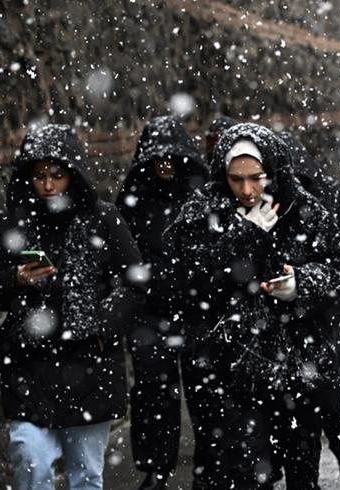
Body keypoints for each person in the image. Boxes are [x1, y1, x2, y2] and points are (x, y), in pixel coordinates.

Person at [157, 123, 340, 489]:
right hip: (228, 370)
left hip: (298, 364)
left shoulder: (302, 209)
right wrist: (242, 234)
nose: (247, 190)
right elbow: (185, 281)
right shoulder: (202, 212)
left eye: (256, 178)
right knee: (240, 472)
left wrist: (301, 284)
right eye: (236, 180)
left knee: (301, 468)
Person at [0, 124, 146, 490]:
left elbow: (134, 282)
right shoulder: (15, 221)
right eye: (40, 175)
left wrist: (101, 326)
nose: (49, 184)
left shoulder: (102, 218)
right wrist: (17, 278)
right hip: (30, 365)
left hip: (88, 364)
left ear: (73, 173)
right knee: (31, 462)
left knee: (85, 473)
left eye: (57, 174)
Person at [278, 131, 340, 490]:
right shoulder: (274, 200)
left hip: (334, 322)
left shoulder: (330, 194)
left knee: (337, 400)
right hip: (295, 325)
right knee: (298, 412)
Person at [115, 116, 207, 490]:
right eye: (159, 157)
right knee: (154, 394)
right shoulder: (134, 200)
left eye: (172, 157)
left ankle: (208, 465)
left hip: (197, 313)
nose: (166, 164)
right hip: (150, 314)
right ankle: (156, 467)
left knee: (204, 394)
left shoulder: (201, 198)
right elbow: (120, 254)